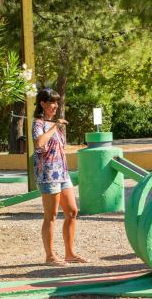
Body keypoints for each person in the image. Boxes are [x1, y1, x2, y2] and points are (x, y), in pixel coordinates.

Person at [33, 88, 89, 266]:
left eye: (57, 102)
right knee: (51, 215)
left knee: (72, 211)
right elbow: (39, 144)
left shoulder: (55, 124)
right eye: (52, 102)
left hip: (63, 173)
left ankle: (70, 254)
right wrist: (54, 126)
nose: (56, 106)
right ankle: (50, 257)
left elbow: (60, 148)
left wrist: (57, 127)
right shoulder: (38, 123)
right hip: (48, 174)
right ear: (42, 104)